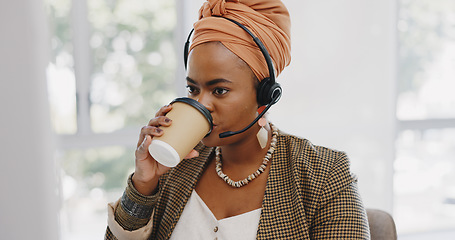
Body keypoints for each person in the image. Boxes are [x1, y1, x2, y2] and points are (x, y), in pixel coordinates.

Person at [105, 0, 370, 239]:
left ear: (265, 96)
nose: (201, 104)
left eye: (219, 90)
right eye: (193, 89)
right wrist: (143, 184)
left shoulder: (326, 175)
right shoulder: (176, 164)